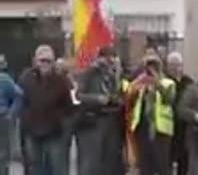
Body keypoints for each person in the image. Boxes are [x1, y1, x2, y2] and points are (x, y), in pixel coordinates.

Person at [19, 45, 73, 175]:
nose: (44, 64)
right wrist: (25, 120)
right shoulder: (26, 78)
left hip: (54, 132)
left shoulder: (61, 81)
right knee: (35, 167)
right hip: (32, 131)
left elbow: (68, 106)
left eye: (48, 61)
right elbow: (21, 101)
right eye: (42, 60)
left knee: (57, 167)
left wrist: (62, 123)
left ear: (53, 62)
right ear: (36, 61)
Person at [76, 47, 125, 175]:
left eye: (112, 58)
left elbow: (121, 94)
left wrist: (118, 99)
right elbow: (79, 95)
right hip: (95, 120)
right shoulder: (90, 73)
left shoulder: (116, 75)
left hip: (113, 119)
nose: (110, 61)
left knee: (111, 159)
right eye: (107, 58)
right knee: (93, 160)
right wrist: (96, 99)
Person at [126, 53, 176, 175]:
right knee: (145, 165)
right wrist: (138, 82)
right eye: (148, 67)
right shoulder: (141, 83)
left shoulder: (168, 83)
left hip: (161, 130)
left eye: (154, 66)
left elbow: (169, 98)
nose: (150, 70)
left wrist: (157, 83)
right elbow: (128, 95)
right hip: (142, 128)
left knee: (162, 165)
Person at [166, 52, 193, 175]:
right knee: (168, 157)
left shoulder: (188, 82)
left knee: (184, 157)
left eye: (177, 64)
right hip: (169, 124)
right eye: (172, 65)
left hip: (184, 125)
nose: (175, 68)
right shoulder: (165, 81)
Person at [0, 54, 23, 175]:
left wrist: (11, 113)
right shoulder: (5, 78)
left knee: (2, 153)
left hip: (1, 118)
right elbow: (19, 94)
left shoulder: (4, 79)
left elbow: (19, 94)